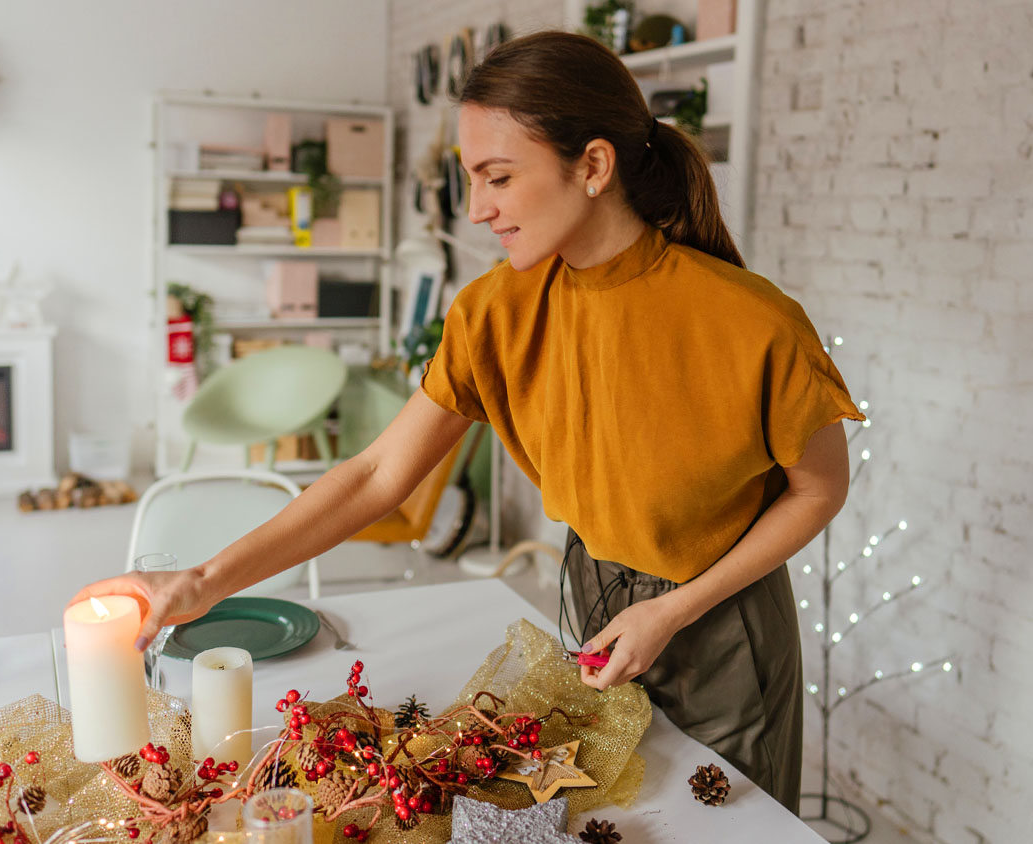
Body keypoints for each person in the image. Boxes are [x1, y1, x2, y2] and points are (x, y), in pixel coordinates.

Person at [70, 31, 863, 813]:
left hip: (723, 625)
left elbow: (819, 491)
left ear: (592, 166)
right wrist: (201, 583)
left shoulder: (750, 320)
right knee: (617, 816)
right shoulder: (493, 312)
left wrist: (675, 609)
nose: (478, 208)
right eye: (471, 178)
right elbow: (378, 475)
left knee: (727, 826)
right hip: (594, 595)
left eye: (499, 178)